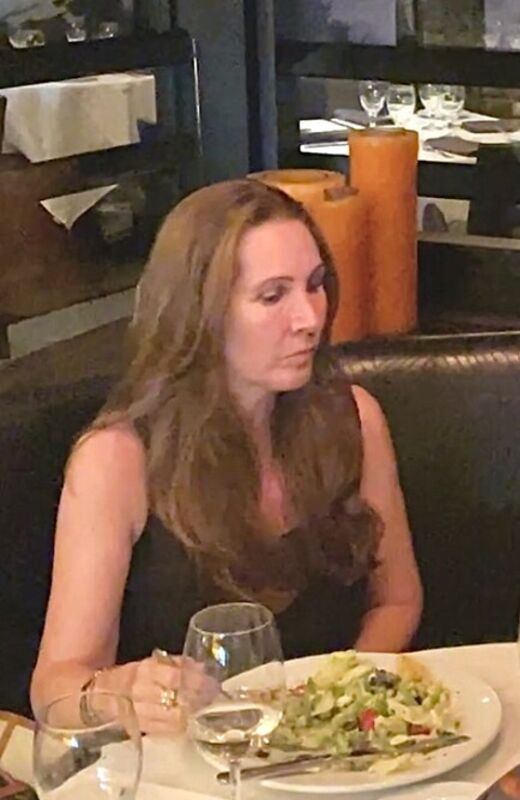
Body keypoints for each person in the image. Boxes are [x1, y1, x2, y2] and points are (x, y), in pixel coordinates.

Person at [30, 179, 423, 731]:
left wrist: (337, 703)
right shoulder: (116, 460)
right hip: (187, 763)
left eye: (315, 285)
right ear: (201, 313)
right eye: (273, 295)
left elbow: (397, 601)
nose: (310, 317)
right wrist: (117, 691)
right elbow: (54, 689)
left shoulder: (353, 419)